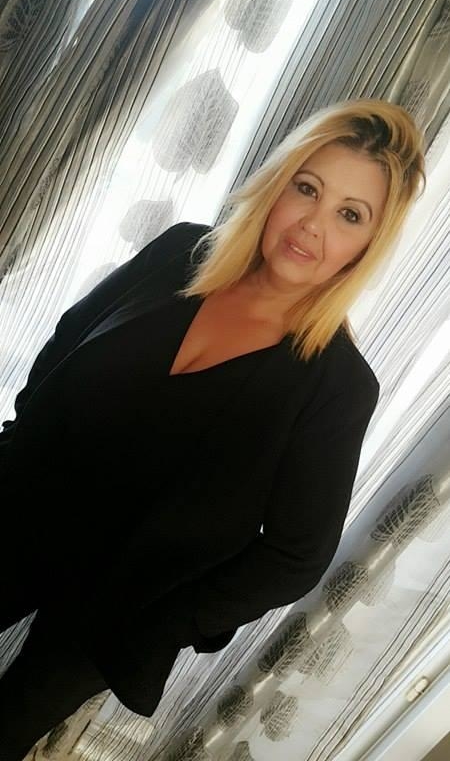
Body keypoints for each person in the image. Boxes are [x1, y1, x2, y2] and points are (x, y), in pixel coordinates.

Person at [0, 98, 425, 757]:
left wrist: (169, 620)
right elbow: (69, 339)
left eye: (350, 214)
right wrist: (20, 440)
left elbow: (295, 557)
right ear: (277, 185)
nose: (312, 225)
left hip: (118, 603)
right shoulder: (179, 253)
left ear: (368, 244)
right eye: (307, 188)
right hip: (19, 511)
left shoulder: (338, 386)